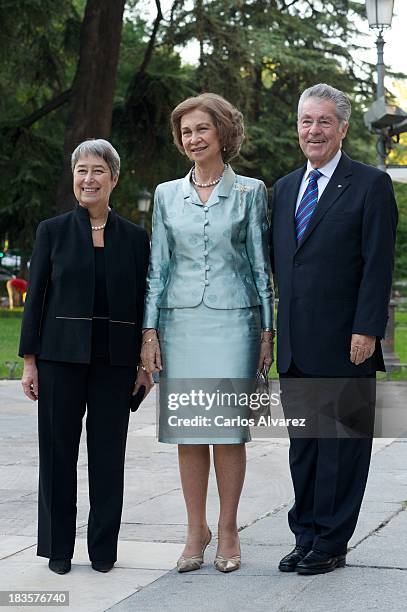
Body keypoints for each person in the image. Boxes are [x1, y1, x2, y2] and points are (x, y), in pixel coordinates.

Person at [141, 93, 274, 573]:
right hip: (180, 324)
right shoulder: (164, 195)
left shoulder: (250, 191)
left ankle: (229, 527)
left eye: (202, 129)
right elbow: (157, 267)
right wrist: (149, 331)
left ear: (222, 132)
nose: (193, 138)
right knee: (189, 432)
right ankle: (195, 529)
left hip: (235, 323)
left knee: (228, 432)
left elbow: (261, 265)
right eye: (185, 132)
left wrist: (267, 331)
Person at [271, 84, 397, 575]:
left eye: (324, 121)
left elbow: (376, 265)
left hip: (349, 343)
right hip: (296, 345)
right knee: (303, 449)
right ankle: (305, 535)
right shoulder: (283, 189)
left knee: (341, 449)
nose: (313, 130)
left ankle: (331, 541)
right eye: (306, 121)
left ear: (342, 128)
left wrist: (367, 329)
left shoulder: (369, 184)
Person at [19, 139, 153, 575]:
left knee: (108, 456)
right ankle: (58, 548)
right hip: (59, 359)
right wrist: (29, 361)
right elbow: (35, 298)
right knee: (57, 455)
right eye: (81, 170)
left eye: (98, 170)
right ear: (74, 178)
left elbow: (141, 302)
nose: (88, 178)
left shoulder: (134, 238)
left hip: (114, 363)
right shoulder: (52, 231)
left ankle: (103, 550)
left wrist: (144, 365)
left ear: (114, 179)